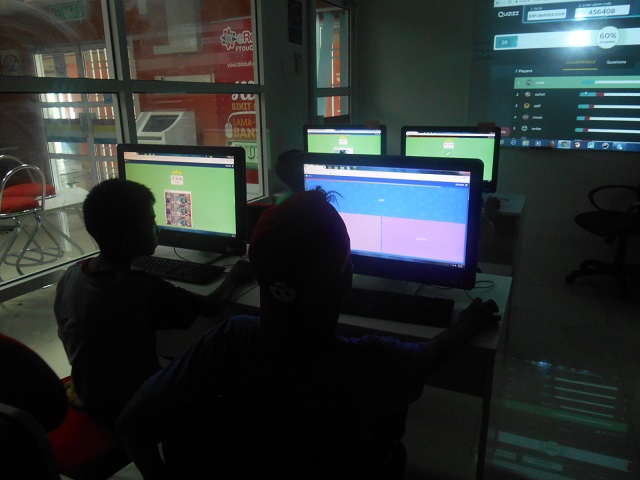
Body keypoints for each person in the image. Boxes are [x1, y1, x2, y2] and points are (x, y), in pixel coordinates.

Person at [116, 188, 500, 480]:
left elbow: (131, 422)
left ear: (260, 276)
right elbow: (430, 356)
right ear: (347, 278)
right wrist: (469, 323)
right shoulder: (369, 362)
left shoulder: (225, 340)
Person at [54, 178, 253, 425]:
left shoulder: (71, 276)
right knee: (227, 334)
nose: (157, 228)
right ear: (128, 239)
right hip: (133, 402)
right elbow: (210, 307)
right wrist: (233, 278)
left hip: (89, 391)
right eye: (151, 222)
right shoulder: (139, 288)